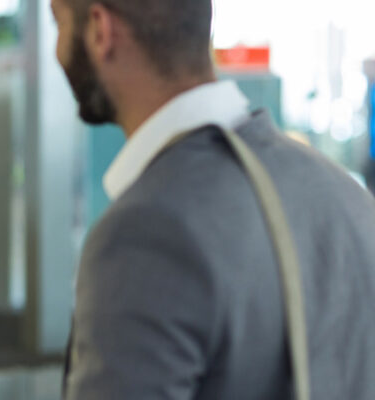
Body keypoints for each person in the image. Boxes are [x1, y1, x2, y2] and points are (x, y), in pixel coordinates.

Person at [52, 0, 375, 398]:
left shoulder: (145, 232)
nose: (57, 50)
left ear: (100, 30)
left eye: (60, 23)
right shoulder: (341, 193)